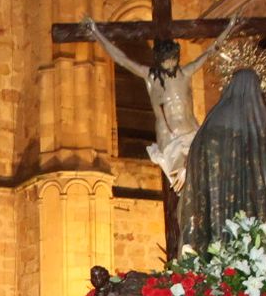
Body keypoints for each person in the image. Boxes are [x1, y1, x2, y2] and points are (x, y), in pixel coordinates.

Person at [81, 14, 243, 191]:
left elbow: (211, 50)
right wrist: (95, 32)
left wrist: (230, 27)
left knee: (212, 173)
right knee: (183, 176)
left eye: (174, 59)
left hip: (191, 133)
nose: (171, 64)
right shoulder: (150, 77)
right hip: (170, 137)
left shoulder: (185, 73)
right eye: (167, 60)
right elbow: (121, 58)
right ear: (160, 60)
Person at [176, 67, 266, 253]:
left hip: (221, 208)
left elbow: (199, 155)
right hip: (258, 211)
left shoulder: (216, 119)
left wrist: (189, 170)